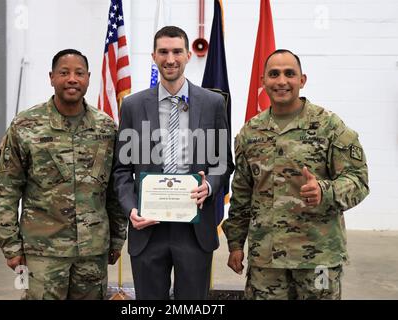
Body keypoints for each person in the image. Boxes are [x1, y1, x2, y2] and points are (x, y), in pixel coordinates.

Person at [222, 49, 369, 300]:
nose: (281, 81)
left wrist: (326, 190)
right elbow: (242, 194)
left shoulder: (329, 126)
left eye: (289, 74)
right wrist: (235, 244)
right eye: (274, 74)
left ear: (302, 80)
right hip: (265, 260)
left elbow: (359, 180)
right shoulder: (250, 132)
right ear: (263, 81)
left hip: (318, 258)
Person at [0, 49, 127, 300]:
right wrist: (10, 246)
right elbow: (7, 190)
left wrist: (117, 239)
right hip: (44, 252)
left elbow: (114, 190)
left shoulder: (107, 128)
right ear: (51, 77)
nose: (72, 79)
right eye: (64, 73)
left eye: (79, 73)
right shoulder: (26, 126)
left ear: (88, 78)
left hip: (92, 251)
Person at [113, 26, 234, 300]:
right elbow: (121, 170)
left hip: (194, 227)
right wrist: (131, 209)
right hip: (148, 227)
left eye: (177, 51)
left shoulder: (213, 103)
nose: (170, 59)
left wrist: (211, 186)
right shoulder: (132, 105)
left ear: (188, 55)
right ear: (154, 56)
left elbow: (223, 161)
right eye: (164, 52)